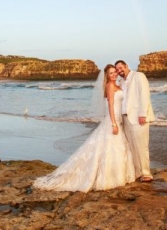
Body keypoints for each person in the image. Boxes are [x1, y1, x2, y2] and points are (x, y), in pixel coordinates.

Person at [32, 64, 136, 192]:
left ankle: (117, 174)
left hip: (118, 120)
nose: (114, 74)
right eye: (111, 73)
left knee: (115, 147)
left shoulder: (117, 85)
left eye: (115, 72)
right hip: (112, 120)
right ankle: (109, 177)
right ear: (107, 76)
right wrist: (114, 123)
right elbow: (110, 105)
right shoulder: (109, 85)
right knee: (112, 147)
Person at [115, 59, 155, 182]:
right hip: (126, 117)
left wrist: (143, 114)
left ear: (126, 66)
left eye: (121, 68)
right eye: (117, 70)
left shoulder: (139, 76)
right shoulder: (121, 81)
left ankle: (146, 173)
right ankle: (138, 172)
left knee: (141, 146)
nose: (119, 71)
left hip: (138, 117)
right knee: (132, 147)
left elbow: (144, 95)